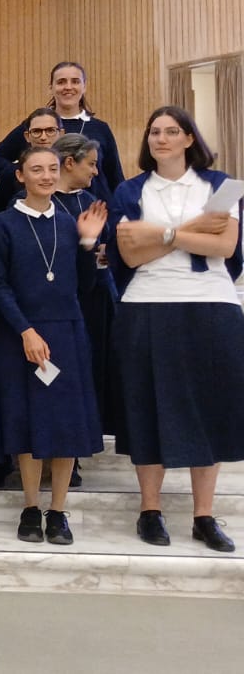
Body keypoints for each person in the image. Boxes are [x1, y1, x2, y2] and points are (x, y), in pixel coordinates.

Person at [108, 106, 244, 553]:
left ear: (189, 138)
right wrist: (192, 230)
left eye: (171, 131)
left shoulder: (222, 186)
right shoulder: (130, 190)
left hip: (211, 304)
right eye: (154, 132)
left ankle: (204, 516)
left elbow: (225, 246)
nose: (161, 139)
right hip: (147, 304)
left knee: (210, 408)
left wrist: (161, 234)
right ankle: (150, 510)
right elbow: (130, 256)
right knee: (148, 406)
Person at [0, 145, 106, 545]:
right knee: (28, 421)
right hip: (21, 333)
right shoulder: (4, 224)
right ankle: (30, 507)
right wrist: (25, 331)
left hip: (66, 331)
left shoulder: (70, 222)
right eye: (36, 169)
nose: (46, 176)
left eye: (52, 169)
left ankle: (57, 511)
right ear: (21, 176)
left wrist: (88, 244)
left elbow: (84, 286)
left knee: (65, 423)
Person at [52, 133, 119, 445]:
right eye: (91, 164)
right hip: (59, 303)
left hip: (97, 299)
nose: (95, 171)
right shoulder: (38, 201)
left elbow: (105, 247)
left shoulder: (91, 202)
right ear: (69, 163)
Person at [0, 62, 124, 200]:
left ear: (84, 86)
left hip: (96, 206)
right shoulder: (36, 125)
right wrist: (25, 171)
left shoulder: (100, 129)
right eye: (61, 82)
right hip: (43, 204)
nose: (68, 87)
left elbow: (115, 175)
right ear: (51, 87)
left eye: (75, 81)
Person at [0, 108, 62, 211]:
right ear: (27, 136)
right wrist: (25, 171)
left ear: (61, 134)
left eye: (50, 131)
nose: (43, 137)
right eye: (36, 131)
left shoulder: (71, 168)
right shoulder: (11, 179)